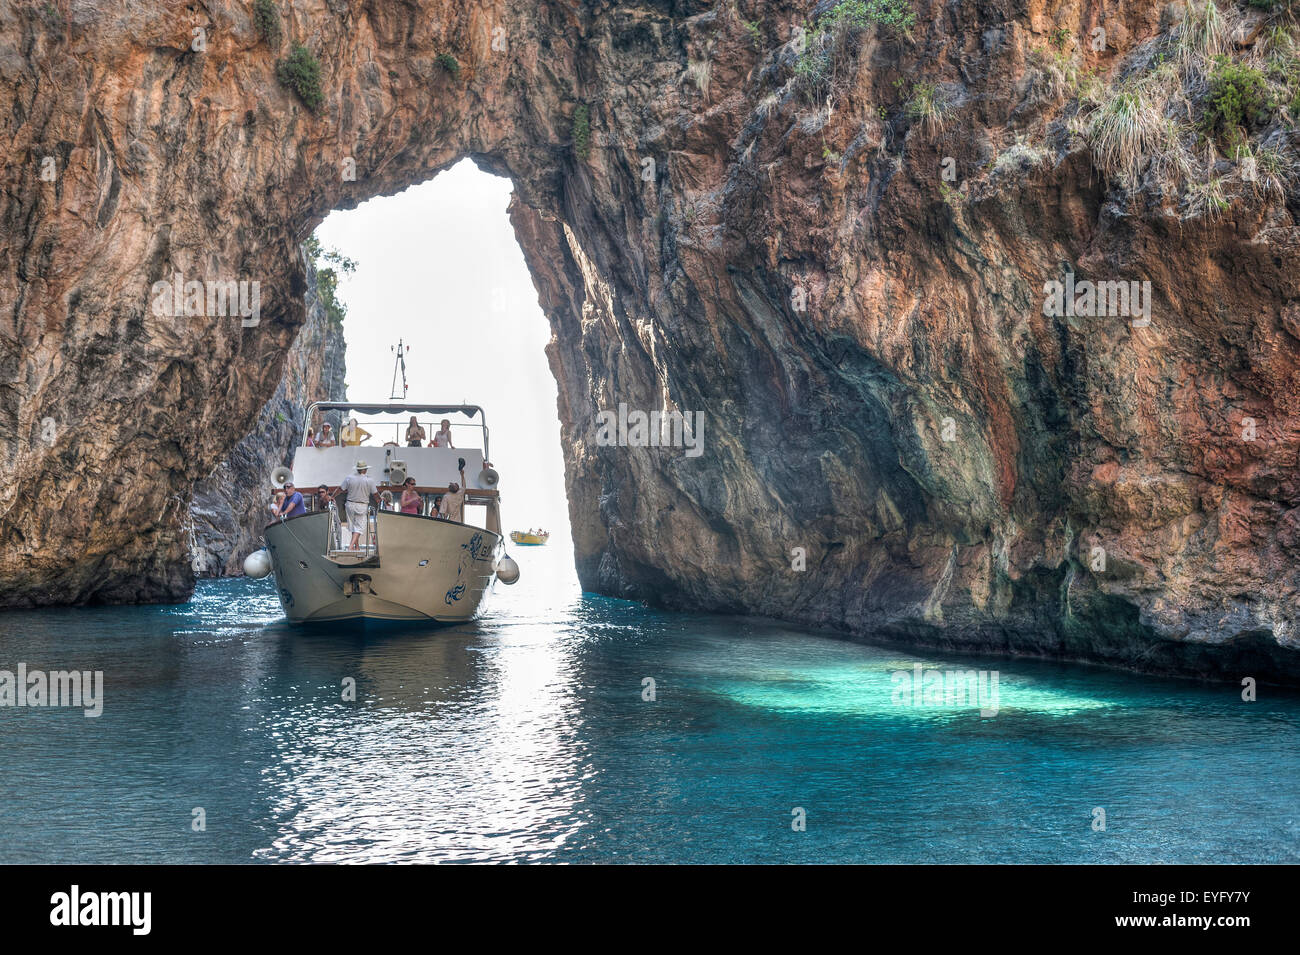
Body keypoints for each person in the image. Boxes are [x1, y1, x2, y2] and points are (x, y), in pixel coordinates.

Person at [331, 460, 379, 550]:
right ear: (365, 470)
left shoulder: (349, 478)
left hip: (349, 504)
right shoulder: (370, 480)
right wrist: (380, 500)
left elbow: (340, 489)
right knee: (359, 528)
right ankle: (350, 547)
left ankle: (356, 547)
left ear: (357, 469)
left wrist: (332, 496)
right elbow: (375, 494)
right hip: (362, 505)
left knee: (354, 527)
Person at [439, 458, 468, 523]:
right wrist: (462, 475)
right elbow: (464, 486)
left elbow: (442, 512)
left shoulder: (446, 497)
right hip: (458, 522)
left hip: (449, 522)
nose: (453, 483)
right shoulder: (459, 494)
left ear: (449, 488)